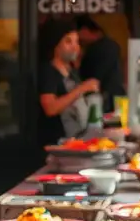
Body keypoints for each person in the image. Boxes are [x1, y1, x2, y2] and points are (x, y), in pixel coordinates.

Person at [38, 20, 100, 149]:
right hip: (56, 147)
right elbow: (50, 108)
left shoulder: (72, 72)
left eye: (76, 42)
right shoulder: (48, 72)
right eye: (68, 41)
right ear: (55, 45)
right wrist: (81, 89)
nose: (75, 47)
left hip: (76, 142)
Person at [76, 15, 125, 114]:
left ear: (85, 30)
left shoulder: (98, 49)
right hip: (117, 98)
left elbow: (90, 77)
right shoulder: (111, 45)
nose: (77, 40)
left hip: (104, 101)